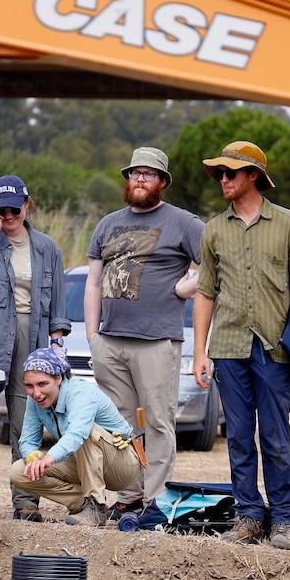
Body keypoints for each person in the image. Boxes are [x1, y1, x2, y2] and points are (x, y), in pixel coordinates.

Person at [191, 141, 290, 551]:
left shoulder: (288, 224)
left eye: (230, 173)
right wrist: (199, 351)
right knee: (239, 436)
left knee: (276, 437)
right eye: (220, 174)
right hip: (227, 347)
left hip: (274, 347)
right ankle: (249, 516)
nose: (223, 180)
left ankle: (283, 520)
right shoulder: (213, 229)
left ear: (253, 177)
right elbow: (205, 294)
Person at [85, 146, 203, 527]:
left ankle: (157, 500)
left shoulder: (183, 223)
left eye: (148, 174)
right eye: (134, 173)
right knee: (120, 423)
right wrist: (92, 335)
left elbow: (218, 265)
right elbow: (93, 281)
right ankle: (129, 496)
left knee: (158, 421)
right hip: (111, 340)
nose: (139, 179)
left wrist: (184, 289)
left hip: (157, 341)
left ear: (162, 183)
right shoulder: (108, 223)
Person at [0, 175, 69, 521]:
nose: (8, 215)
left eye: (14, 208)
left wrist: (56, 343)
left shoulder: (46, 247)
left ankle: (25, 502)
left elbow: (58, 306)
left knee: (26, 427)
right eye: (1, 210)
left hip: (32, 343)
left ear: (27, 205)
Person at [8, 349, 142, 527]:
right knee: (19, 471)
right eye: (30, 386)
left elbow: (77, 433)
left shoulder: (81, 393)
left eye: (42, 384)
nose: (36, 392)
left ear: (59, 378)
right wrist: (33, 457)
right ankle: (82, 504)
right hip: (84, 462)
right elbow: (27, 441)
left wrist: (49, 457)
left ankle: (96, 506)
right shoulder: (35, 400)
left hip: (121, 465)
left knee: (87, 431)